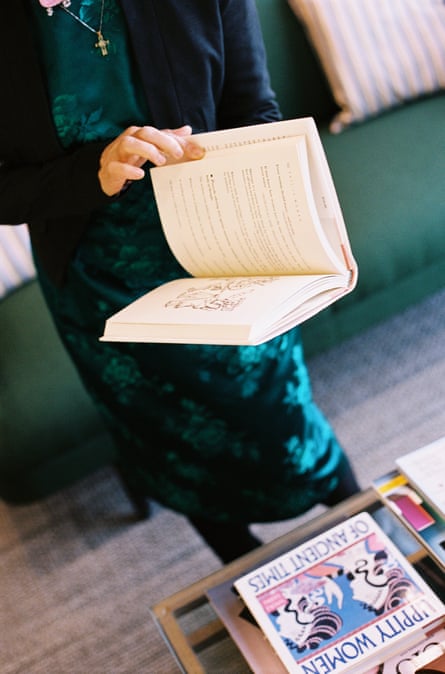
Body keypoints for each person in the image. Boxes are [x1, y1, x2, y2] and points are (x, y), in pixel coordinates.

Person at [0, 0, 359, 563]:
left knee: (287, 426)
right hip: (100, 283)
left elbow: (253, 107)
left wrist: (306, 216)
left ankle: (372, 531)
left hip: (228, 251)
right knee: (171, 446)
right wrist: (89, 174)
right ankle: (242, 568)